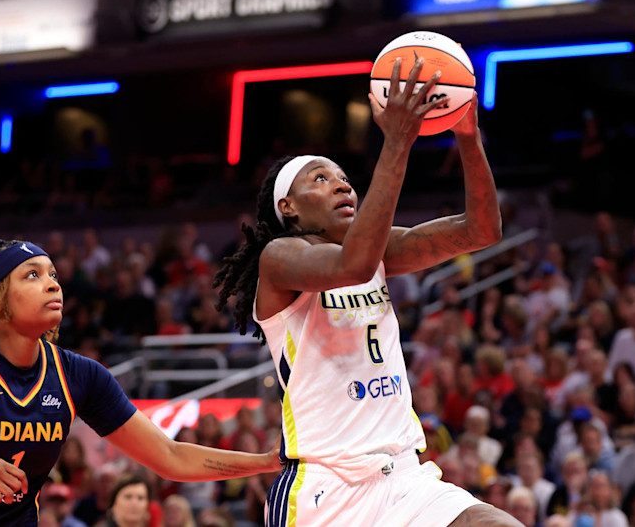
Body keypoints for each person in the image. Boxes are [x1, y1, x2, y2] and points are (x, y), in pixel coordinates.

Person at [214, 56, 519, 526]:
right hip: (326, 488)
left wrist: (467, 136)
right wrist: (398, 139)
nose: (341, 186)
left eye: (343, 178)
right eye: (321, 178)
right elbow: (352, 266)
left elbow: (481, 230)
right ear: (288, 207)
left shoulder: (377, 250)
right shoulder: (279, 259)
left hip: (404, 477)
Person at [0, 239, 281, 526]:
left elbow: (169, 456)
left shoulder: (80, 376)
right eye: (31, 275)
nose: (52, 283)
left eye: (53, 274)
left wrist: (265, 462)